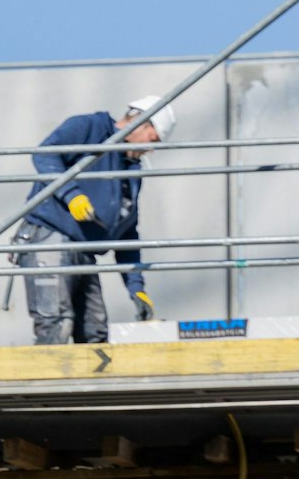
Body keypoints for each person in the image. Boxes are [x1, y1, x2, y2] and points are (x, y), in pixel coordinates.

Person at [13, 95, 177, 345]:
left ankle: (81, 385)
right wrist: (71, 196)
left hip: (83, 251)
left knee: (94, 331)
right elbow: (45, 155)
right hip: (50, 238)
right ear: (140, 122)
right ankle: (47, 383)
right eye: (152, 139)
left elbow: (127, 234)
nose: (150, 149)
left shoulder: (131, 172)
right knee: (55, 323)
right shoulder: (91, 128)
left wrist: (137, 288)